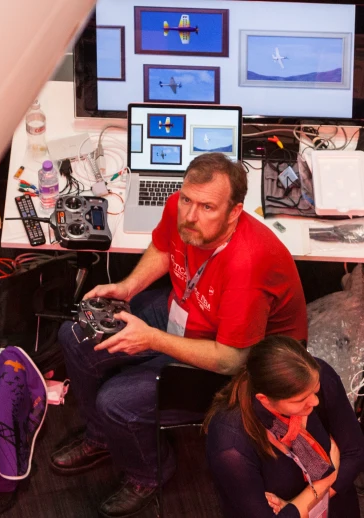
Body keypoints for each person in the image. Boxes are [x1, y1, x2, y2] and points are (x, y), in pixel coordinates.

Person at [50, 152, 308, 517]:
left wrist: (152, 340)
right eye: (187, 200)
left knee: (117, 402)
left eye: (206, 207)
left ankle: (148, 473)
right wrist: (128, 286)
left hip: (237, 358)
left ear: (234, 212)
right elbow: (164, 245)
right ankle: (101, 437)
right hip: (187, 310)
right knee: (74, 337)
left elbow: (230, 359)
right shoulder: (181, 207)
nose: (190, 215)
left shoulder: (247, 266)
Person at [205, 335, 364, 517]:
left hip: (336, 507)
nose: (315, 400)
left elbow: (355, 452)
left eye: (315, 390)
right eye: (300, 400)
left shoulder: (314, 376)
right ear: (265, 400)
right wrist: (325, 482)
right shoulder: (230, 444)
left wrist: (295, 507)